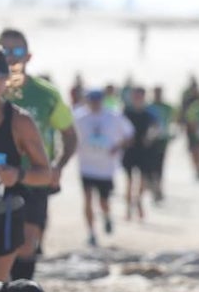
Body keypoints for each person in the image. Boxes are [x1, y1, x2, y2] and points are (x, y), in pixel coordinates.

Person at [0, 29, 78, 282]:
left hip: (34, 177)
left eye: (17, 51)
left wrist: (58, 167)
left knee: (27, 244)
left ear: (28, 56)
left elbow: (70, 135)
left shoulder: (46, 94)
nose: (10, 57)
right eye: (4, 51)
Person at [0, 48, 52, 283]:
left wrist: (18, 174)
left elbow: (44, 174)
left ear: (9, 79)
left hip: (6, 212)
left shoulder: (20, 122)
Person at [73, 89, 134, 246]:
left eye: (97, 100)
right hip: (86, 166)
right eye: (91, 100)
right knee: (87, 199)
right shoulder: (78, 116)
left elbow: (129, 134)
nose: (94, 103)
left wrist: (117, 147)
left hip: (106, 168)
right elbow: (69, 135)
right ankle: (91, 233)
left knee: (103, 201)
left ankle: (106, 216)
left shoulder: (113, 116)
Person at [121, 86, 156, 221]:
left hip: (144, 150)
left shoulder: (148, 112)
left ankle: (138, 201)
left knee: (142, 182)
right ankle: (128, 209)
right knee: (129, 181)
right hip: (129, 150)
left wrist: (150, 136)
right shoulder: (126, 112)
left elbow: (155, 127)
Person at [146, 85, 176, 203]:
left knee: (160, 164)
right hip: (150, 139)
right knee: (149, 164)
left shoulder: (167, 107)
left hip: (163, 139)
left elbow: (173, 120)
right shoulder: (148, 107)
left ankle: (158, 188)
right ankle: (151, 184)